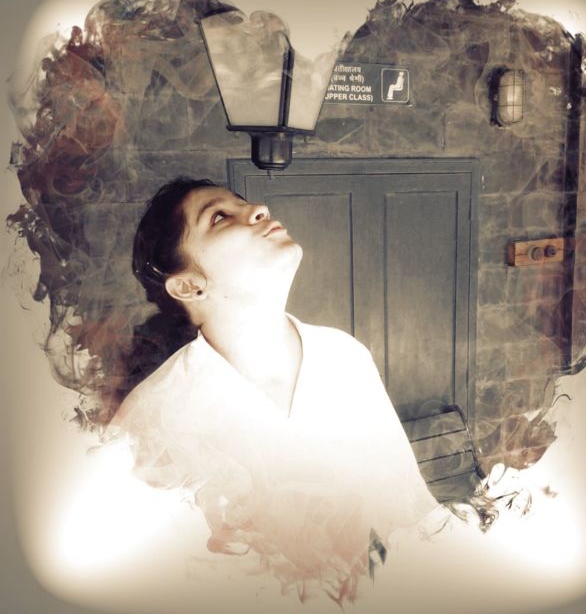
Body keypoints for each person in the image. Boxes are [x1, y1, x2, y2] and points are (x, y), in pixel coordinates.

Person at [106, 176, 440, 603]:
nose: (258, 208)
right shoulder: (150, 422)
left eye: (244, 203)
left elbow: (410, 506)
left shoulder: (346, 356)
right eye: (219, 216)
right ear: (188, 286)